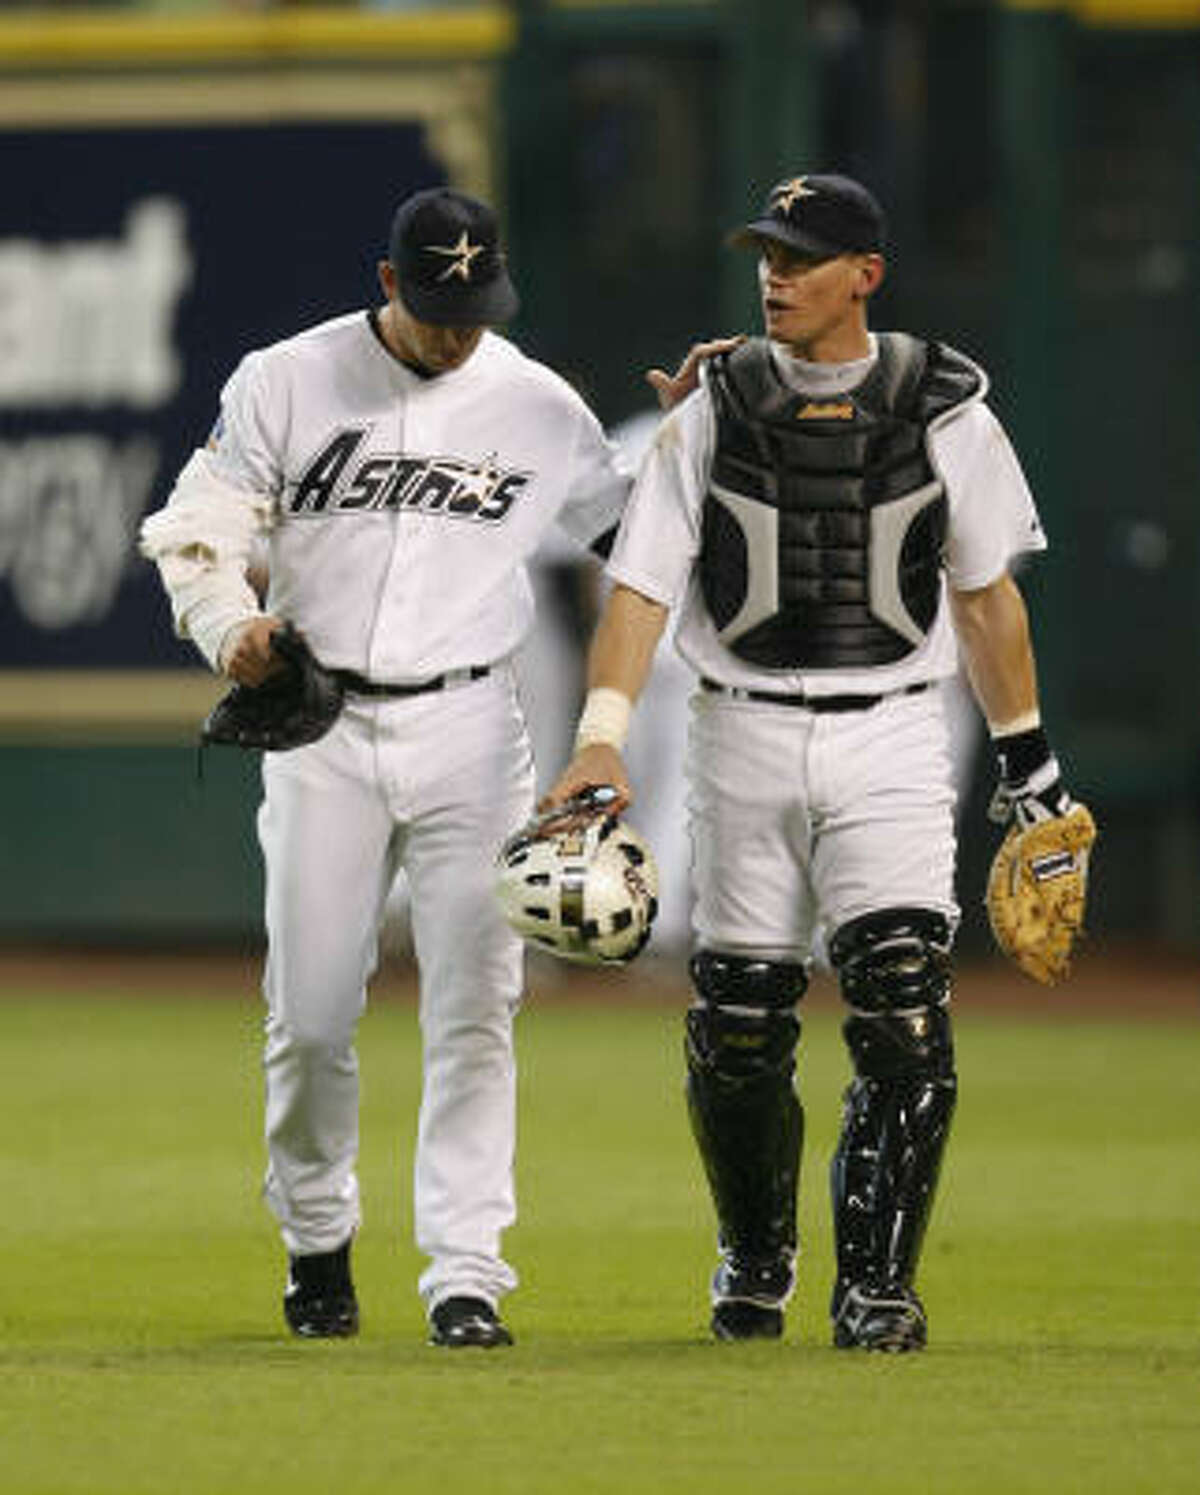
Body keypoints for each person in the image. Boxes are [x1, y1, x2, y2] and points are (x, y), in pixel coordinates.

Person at [544, 172, 1086, 1351]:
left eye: (801, 256)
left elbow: (987, 602)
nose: (775, 275)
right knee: (739, 1020)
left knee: (904, 1010)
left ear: (866, 275)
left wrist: (1032, 773)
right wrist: (598, 733)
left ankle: (879, 1282)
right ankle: (756, 1249)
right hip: (738, 725)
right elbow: (640, 584)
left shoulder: (945, 405)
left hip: (892, 725)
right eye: (767, 254)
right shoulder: (711, 407)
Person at [139, 186, 632, 1349]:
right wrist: (228, 626)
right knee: (310, 1016)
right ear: (386, 283)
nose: (456, 329)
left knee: (478, 1009)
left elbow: (646, 545)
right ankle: (317, 1236)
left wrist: (701, 439)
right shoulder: (287, 378)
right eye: (433, 305)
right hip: (323, 726)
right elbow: (196, 527)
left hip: (472, 727)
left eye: (475, 305)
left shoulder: (537, 406)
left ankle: (467, 1274)